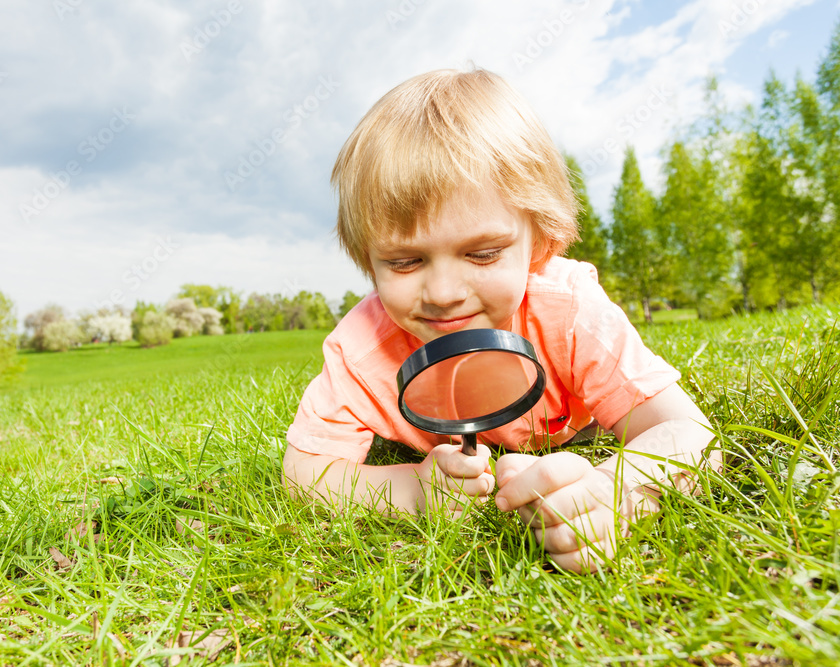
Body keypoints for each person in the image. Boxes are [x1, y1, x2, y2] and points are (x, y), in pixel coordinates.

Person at [282, 67, 718, 573]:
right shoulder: (361, 347)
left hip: (574, 432)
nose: (443, 294)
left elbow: (690, 434)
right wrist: (413, 491)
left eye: (484, 254)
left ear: (543, 240)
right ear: (368, 259)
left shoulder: (569, 307)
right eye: (404, 262)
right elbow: (304, 473)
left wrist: (616, 491)